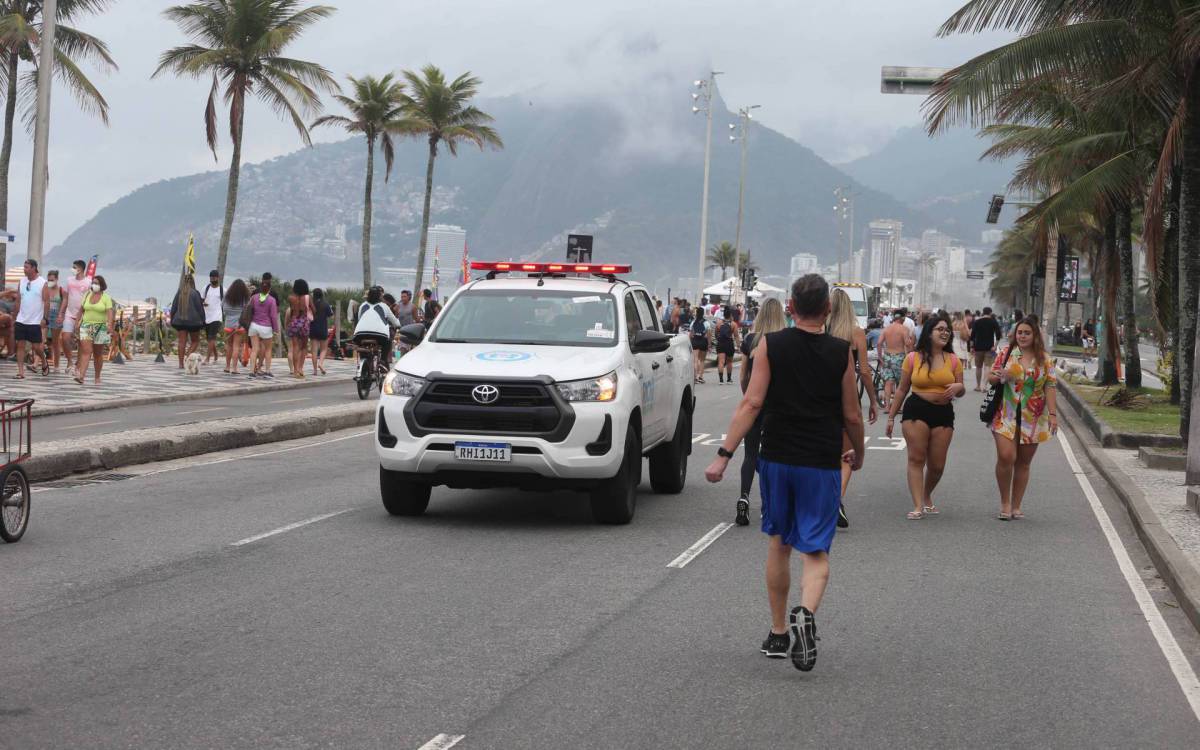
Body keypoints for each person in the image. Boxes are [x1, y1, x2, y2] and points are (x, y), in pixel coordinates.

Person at [704, 274, 864, 673]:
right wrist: (856, 452)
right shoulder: (840, 351)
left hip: (776, 457)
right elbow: (851, 413)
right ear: (827, 309)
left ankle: (778, 634)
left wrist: (724, 456)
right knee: (816, 550)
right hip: (821, 459)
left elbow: (751, 403)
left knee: (779, 544)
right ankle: (806, 613)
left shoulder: (769, 346)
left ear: (790, 308)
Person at [886, 312, 965, 519]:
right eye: (940, 329)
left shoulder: (954, 360)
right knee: (916, 458)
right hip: (916, 410)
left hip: (943, 413)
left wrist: (959, 387)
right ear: (929, 333)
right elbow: (902, 389)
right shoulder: (913, 358)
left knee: (937, 465)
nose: (945, 332)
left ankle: (926, 493)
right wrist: (891, 416)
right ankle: (918, 505)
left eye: (947, 330)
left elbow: (962, 389)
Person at [989, 317, 1058, 520]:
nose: (1022, 336)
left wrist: (1053, 415)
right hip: (1005, 414)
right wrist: (1004, 375)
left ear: (1035, 335)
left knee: (1024, 463)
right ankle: (1005, 502)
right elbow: (991, 377)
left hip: (1033, 417)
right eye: (1020, 333)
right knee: (1006, 457)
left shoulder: (1045, 360)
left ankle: (1016, 505)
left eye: (1027, 333)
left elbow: (1050, 386)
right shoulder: (1006, 354)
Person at [828, 288, 880, 528]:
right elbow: (865, 372)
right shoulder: (856, 333)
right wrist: (873, 401)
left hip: (820, 397)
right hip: (847, 396)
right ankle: (836, 499)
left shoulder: (822, 331)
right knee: (847, 455)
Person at [734, 297, 788, 527]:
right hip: (778, 407)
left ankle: (744, 496)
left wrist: (749, 396)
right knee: (775, 456)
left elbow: (743, 375)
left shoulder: (750, 339)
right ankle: (770, 505)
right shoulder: (785, 341)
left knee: (750, 454)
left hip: (755, 404)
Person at [74, 275, 114, 385]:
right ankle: (81, 375)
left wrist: (109, 325)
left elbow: (110, 312)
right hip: (86, 325)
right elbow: (81, 310)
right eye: (93, 283)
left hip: (100, 327)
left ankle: (97, 376)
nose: (94, 285)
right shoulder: (87, 295)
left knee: (97, 354)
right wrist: (77, 322)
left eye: (96, 283)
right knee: (86, 351)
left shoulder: (106, 297)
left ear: (101, 285)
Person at [13, 259, 47, 378]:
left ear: (34, 268)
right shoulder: (21, 281)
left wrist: (45, 318)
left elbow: (46, 301)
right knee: (20, 345)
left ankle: (43, 360)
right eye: (24, 267)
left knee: (36, 347)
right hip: (21, 319)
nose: (24, 269)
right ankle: (21, 372)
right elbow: (18, 300)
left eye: (27, 267)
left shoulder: (42, 282)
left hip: (35, 320)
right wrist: (14, 316)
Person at [353, 286, 401, 364]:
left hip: (359, 334)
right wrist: (398, 325)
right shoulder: (384, 306)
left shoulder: (362, 306)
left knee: (361, 346)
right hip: (380, 335)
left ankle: (363, 362)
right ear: (380, 296)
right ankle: (383, 360)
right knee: (387, 343)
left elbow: (359, 319)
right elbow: (396, 323)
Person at [877, 311, 913, 409]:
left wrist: (880, 357)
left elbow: (879, 343)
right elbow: (908, 344)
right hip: (899, 358)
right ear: (902, 319)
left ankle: (887, 406)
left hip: (887, 357)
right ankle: (897, 407)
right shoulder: (904, 329)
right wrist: (910, 353)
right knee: (900, 383)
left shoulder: (886, 329)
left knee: (888, 383)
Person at [247, 272, 279, 377]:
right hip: (266, 327)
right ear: (269, 287)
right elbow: (274, 316)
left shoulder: (254, 297)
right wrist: (276, 329)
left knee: (255, 349)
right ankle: (267, 370)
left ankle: (252, 371)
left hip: (254, 326)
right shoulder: (272, 299)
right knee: (268, 349)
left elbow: (249, 310)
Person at [169, 275, 205, 369]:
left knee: (182, 342)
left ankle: (181, 364)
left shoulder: (179, 292)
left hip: (180, 321)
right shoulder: (195, 293)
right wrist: (203, 321)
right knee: (195, 341)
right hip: (194, 322)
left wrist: (172, 319)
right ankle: (188, 356)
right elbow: (200, 309)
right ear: (193, 282)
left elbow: (174, 308)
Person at [58, 259, 89, 365]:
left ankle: (79, 362)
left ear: (80, 269)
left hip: (83, 316)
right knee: (65, 337)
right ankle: (69, 360)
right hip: (69, 314)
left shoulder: (88, 282)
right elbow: (65, 298)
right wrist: (61, 313)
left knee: (82, 341)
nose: (72, 269)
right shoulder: (69, 280)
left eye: (74, 267)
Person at [285, 278, 313, 378]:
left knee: (295, 347)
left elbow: (292, 310)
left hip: (294, 323)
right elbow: (313, 310)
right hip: (304, 323)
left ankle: (295, 370)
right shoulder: (307, 297)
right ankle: (301, 368)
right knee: (304, 347)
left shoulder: (291, 298)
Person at [971, 306, 1004, 391]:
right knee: (987, 366)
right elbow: (998, 335)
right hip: (989, 348)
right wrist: (995, 346)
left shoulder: (977, 322)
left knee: (978, 367)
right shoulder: (993, 322)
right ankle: (984, 386)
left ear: (983, 312)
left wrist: (972, 347)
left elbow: (972, 336)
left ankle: (978, 386)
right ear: (990, 313)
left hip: (978, 347)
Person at [221, 279, 249, 374]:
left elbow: (223, 308)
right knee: (236, 346)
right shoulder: (244, 297)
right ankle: (234, 368)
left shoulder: (227, 296)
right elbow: (246, 310)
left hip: (228, 324)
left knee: (229, 346)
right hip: (239, 325)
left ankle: (227, 367)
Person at [43, 270, 67, 374]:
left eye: (52, 280)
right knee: (40, 340)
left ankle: (56, 365)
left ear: (57, 279)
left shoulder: (61, 290)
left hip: (56, 317)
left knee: (55, 342)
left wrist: (61, 314)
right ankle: (37, 363)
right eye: (48, 280)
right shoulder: (45, 289)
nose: (50, 282)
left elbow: (65, 303)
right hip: (46, 316)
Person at [200, 270, 224, 365]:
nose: (213, 279)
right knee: (209, 339)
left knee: (211, 337)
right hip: (207, 316)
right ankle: (216, 355)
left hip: (217, 316)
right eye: (211, 277)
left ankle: (207, 359)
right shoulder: (205, 288)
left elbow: (226, 302)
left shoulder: (223, 290)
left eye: (214, 277)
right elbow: (200, 300)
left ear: (218, 278)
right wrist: (203, 303)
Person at [309, 287, 333, 375]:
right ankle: (321, 364)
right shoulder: (325, 304)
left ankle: (315, 370)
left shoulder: (311, 305)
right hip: (323, 328)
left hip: (313, 328)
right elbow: (330, 315)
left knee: (314, 351)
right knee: (324, 349)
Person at [714, 306, 739, 384]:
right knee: (729, 362)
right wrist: (738, 346)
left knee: (721, 361)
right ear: (730, 315)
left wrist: (719, 339)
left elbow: (716, 334)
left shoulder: (719, 323)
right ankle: (728, 379)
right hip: (729, 343)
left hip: (721, 343)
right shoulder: (733, 324)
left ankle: (721, 380)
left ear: (723, 315)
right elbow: (736, 336)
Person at [689, 306, 708, 384]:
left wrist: (690, 342)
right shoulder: (706, 322)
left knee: (695, 360)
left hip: (695, 341)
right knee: (702, 360)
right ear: (703, 313)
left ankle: (695, 378)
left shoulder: (693, 322)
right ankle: (700, 377)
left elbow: (691, 333)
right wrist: (709, 344)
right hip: (703, 341)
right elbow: (709, 334)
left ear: (696, 313)